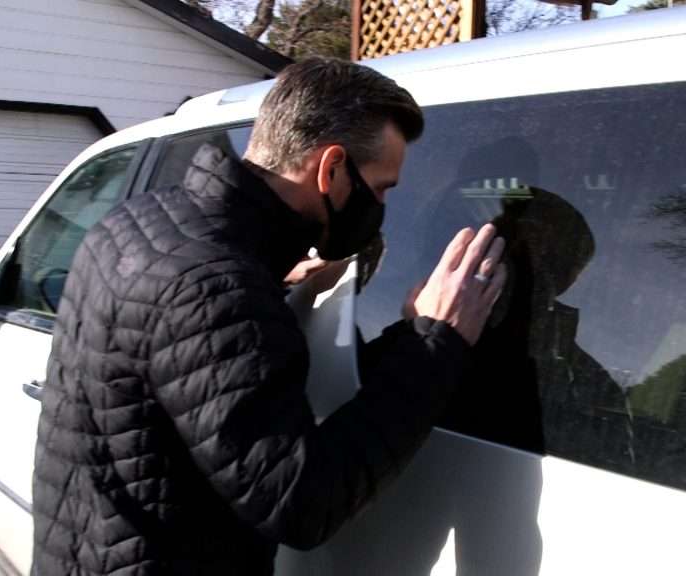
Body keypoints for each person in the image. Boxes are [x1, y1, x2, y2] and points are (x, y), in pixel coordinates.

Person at [31, 57, 507, 576]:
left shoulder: (143, 222)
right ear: (330, 169)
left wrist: (270, 276)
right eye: (383, 187)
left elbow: (173, 337)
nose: (383, 205)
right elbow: (298, 501)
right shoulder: (215, 284)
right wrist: (431, 343)